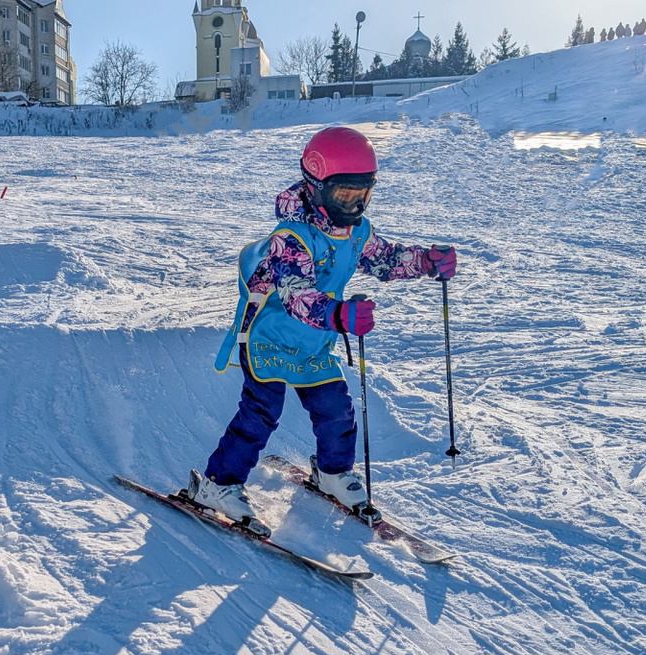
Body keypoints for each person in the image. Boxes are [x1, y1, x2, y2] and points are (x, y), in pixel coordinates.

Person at [189, 126, 457, 534]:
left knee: (336, 410)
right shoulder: (291, 237)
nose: (354, 206)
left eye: (363, 195)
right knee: (261, 413)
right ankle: (217, 484)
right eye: (344, 195)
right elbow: (297, 296)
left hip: (313, 344)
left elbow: (385, 259)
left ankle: (331, 472)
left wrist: (425, 261)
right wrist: (340, 315)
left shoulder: (356, 231)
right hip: (269, 339)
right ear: (315, 188)